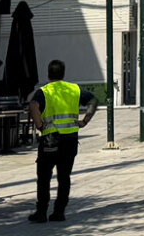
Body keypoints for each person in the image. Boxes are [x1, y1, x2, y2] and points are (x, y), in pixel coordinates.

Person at [27, 60, 98, 223]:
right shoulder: (74, 89)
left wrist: (39, 125)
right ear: (63, 73)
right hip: (70, 139)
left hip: (50, 139)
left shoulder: (44, 91)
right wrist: (84, 121)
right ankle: (59, 212)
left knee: (44, 177)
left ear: (48, 74)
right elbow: (93, 101)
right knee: (64, 177)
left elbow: (33, 105)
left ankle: (41, 212)